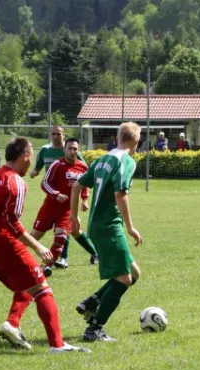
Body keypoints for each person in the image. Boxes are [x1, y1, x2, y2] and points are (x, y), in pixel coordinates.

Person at [0, 137, 89, 353]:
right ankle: (57, 345)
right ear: (24, 157)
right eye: (31, 158)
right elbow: (12, 222)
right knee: (42, 288)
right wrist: (38, 247)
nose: (31, 162)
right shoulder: (15, 182)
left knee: (27, 283)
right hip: (4, 245)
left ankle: (12, 325)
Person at [70, 122, 143, 342]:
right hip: (109, 226)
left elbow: (76, 186)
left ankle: (92, 302)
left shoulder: (103, 159)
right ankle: (94, 328)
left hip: (95, 225)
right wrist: (130, 227)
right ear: (137, 142)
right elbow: (121, 194)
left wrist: (74, 217)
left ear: (117, 137)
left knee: (134, 273)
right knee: (124, 279)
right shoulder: (127, 161)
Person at [30, 138, 99, 276]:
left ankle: (46, 265)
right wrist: (56, 194)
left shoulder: (83, 167)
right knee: (33, 237)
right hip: (50, 207)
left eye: (75, 149)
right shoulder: (57, 164)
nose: (72, 151)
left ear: (78, 150)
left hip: (67, 210)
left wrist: (84, 199)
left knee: (61, 236)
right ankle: (7, 257)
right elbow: (45, 183)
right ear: (64, 149)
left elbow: (83, 185)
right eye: (69, 148)